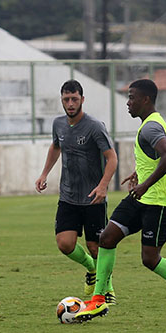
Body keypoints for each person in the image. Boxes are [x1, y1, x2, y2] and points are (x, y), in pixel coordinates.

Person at [75, 79, 166, 324]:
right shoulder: (155, 124)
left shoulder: (151, 127)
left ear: (146, 99)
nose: (128, 103)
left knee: (150, 259)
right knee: (106, 237)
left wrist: (145, 184)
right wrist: (142, 173)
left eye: (132, 98)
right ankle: (98, 300)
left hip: (158, 201)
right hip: (142, 198)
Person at [35, 79, 118, 302]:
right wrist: (44, 174)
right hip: (68, 196)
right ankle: (91, 270)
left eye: (74, 99)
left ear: (82, 99)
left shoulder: (94, 126)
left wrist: (103, 186)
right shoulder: (58, 124)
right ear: (61, 100)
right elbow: (55, 146)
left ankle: (106, 289)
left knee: (96, 246)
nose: (70, 103)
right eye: (66, 99)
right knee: (64, 244)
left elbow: (112, 158)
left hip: (93, 198)